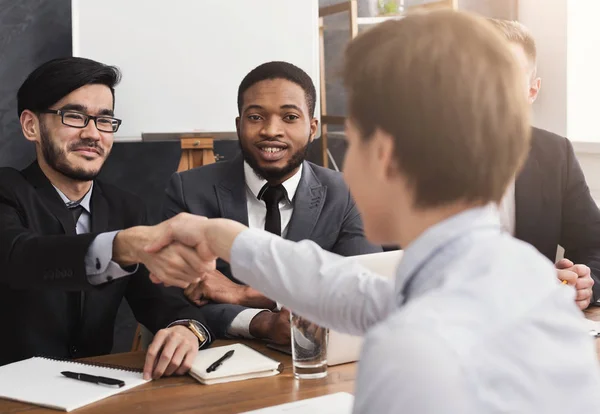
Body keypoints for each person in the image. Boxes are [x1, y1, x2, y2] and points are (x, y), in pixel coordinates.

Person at [141, 11, 600, 413]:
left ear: (385, 155)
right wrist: (223, 237)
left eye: (352, 143)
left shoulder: (411, 349)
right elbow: (351, 290)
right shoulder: (518, 276)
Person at [0, 57, 214, 380]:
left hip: (94, 395)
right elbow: (21, 257)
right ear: (32, 126)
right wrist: (118, 247)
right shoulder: (7, 190)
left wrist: (186, 328)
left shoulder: (125, 208)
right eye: (74, 116)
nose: (93, 134)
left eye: (104, 121)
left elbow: (158, 299)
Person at [163, 61, 380, 343]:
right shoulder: (188, 190)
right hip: (220, 363)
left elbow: (361, 294)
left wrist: (246, 294)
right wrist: (260, 323)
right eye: (256, 117)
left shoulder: (348, 192)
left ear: (312, 128)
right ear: (239, 125)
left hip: (320, 363)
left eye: (289, 117)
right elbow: (173, 299)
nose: (271, 130)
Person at [489, 19, 599, 310]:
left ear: (531, 91)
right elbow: (393, 261)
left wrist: (584, 285)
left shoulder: (555, 154)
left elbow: (595, 246)